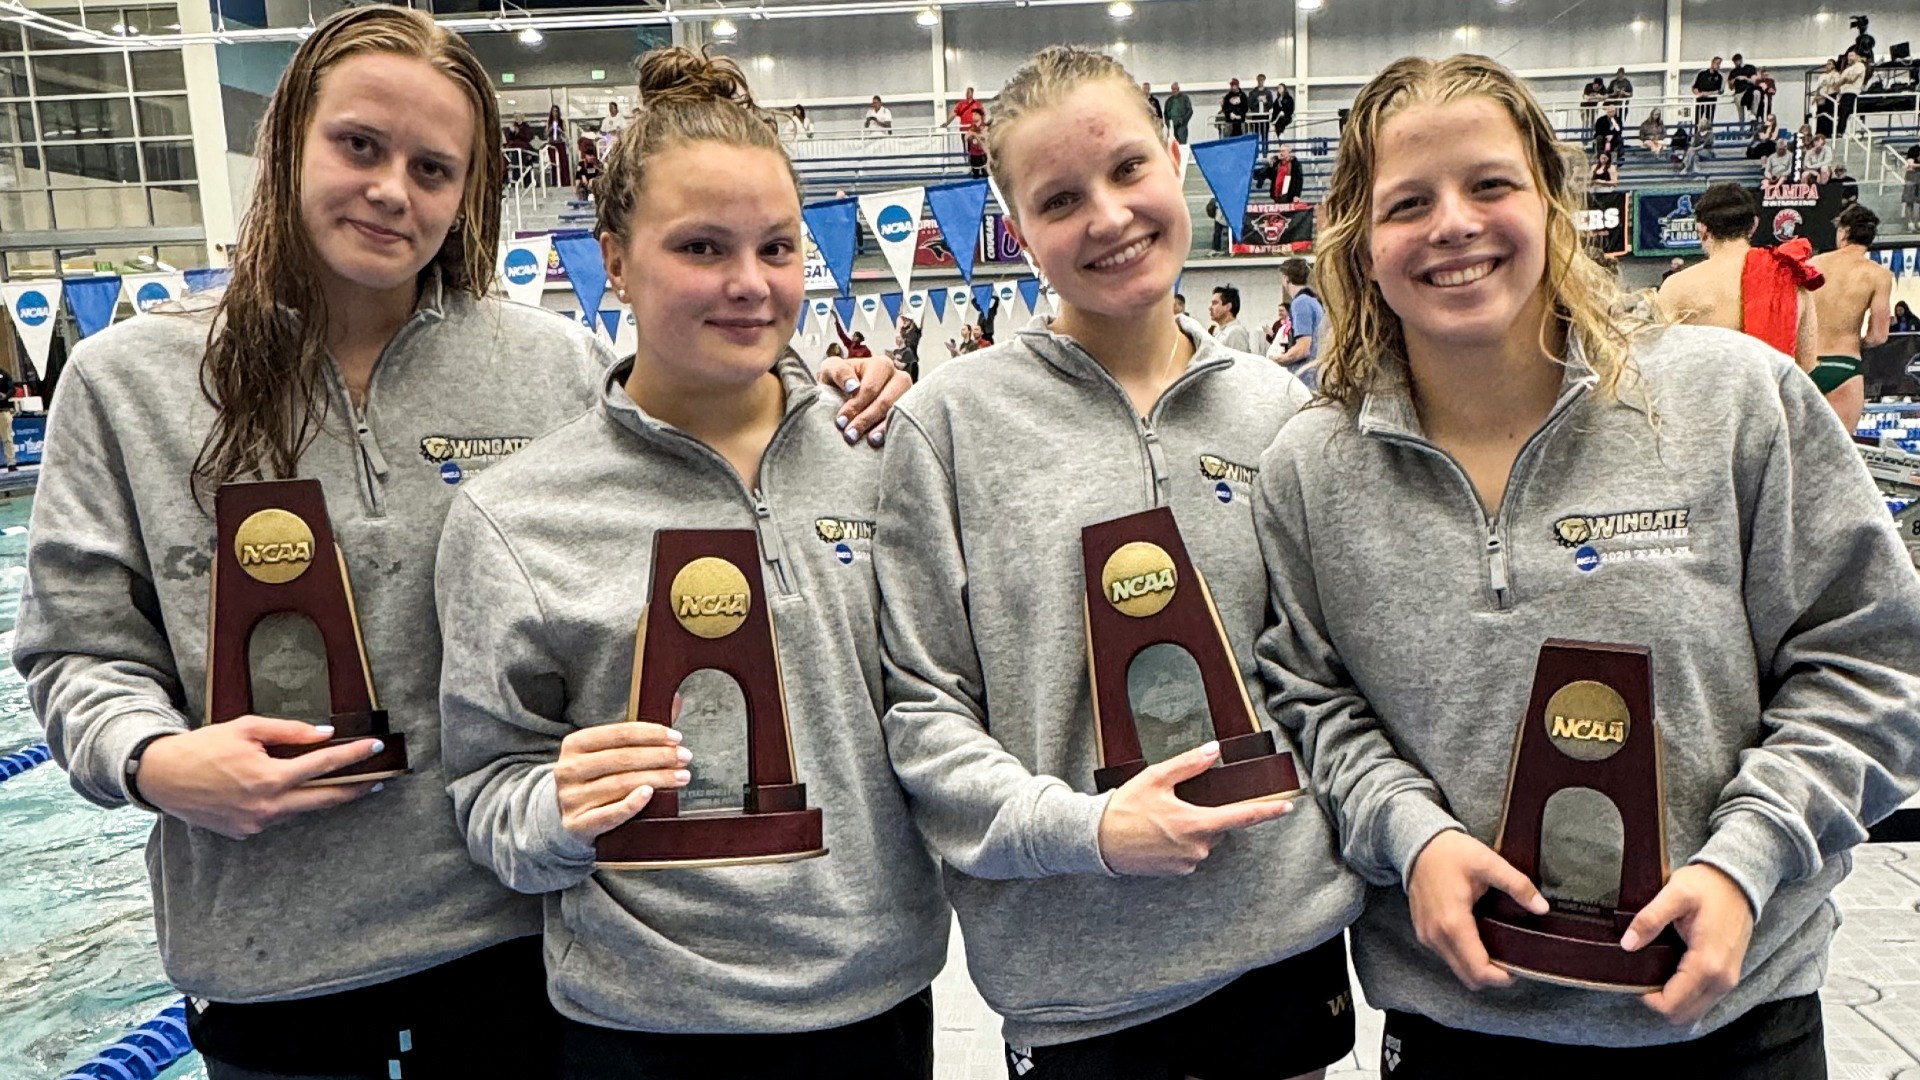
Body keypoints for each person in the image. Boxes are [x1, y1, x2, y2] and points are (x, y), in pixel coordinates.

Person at [1266, 51, 1920, 1078]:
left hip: (1730, 1025)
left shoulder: (1730, 401)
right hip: (1458, 1027)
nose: (1453, 224)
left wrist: (1748, 859)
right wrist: (1410, 835)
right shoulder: (1313, 468)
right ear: (1360, 238)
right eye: (1409, 202)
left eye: (1490, 184)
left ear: (1551, 201)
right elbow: (1311, 700)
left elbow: (1874, 658)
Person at [435, 47, 946, 1080]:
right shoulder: (517, 513)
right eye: (702, 248)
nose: (749, 284)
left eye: (777, 247)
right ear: (615, 261)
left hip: (877, 1001)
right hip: (641, 1027)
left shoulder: (886, 456)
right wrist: (556, 809)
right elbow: (487, 792)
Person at [877, 42, 1362, 1080]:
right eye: (1060, 200)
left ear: (1176, 162)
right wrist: (1083, 831)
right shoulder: (949, 424)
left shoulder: (1280, 411)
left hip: (1278, 939)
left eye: (1129, 168)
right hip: (1075, 976)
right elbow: (922, 709)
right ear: (1017, 228)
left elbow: (1324, 675)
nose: (1107, 217)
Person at [1658, 182, 1820, 371]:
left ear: (1702, 229)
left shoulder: (1676, 286)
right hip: (1771, 387)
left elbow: (1659, 363)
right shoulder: (1790, 278)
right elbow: (1806, 365)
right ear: (1754, 225)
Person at [1808, 204, 1893, 432]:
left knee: (1794, 448)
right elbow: (1879, 336)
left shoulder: (1813, 265)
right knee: (1841, 449)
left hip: (1806, 364)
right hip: (1844, 365)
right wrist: (1858, 343)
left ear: (1844, 231)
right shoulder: (1879, 275)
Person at [1268, 256, 1324, 389]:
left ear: (1286, 278)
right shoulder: (1313, 300)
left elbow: (1303, 349)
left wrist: (1275, 360)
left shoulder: (1301, 303)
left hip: (1306, 379)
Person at [1209, 285, 1255, 352]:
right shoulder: (1220, 332)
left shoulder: (1236, 332)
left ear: (1228, 307)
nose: (1210, 308)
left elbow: (1238, 358)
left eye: (1215, 303)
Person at [1836, 48, 1869, 138]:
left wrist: (1842, 81)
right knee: (1840, 112)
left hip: (1851, 91)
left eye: (1851, 56)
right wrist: (1842, 82)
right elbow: (1840, 82)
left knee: (1845, 111)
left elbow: (1851, 79)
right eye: (1848, 56)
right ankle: (1838, 130)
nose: (1849, 58)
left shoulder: (1860, 66)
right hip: (1844, 93)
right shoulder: (1847, 69)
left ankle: (1840, 131)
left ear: (1857, 56)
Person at [1692, 55, 1724, 130]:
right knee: (1698, 119)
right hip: (1700, 100)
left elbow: (1719, 91)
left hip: (1711, 101)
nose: (1718, 65)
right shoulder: (1702, 74)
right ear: (1712, 63)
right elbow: (1694, 87)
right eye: (1717, 63)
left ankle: (1708, 134)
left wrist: (1707, 94)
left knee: (1709, 120)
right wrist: (1698, 93)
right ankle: (1697, 134)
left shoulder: (1719, 77)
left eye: (1719, 64)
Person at [1728, 53, 1758, 128]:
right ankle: (1742, 126)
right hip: (1739, 92)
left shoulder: (1750, 68)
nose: (1735, 64)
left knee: (1756, 95)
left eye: (1736, 62)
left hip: (1750, 90)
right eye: (1734, 62)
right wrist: (1732, 82)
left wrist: (1745, 78)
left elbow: (1754, 81)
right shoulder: (1733, 72)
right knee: (1739, 105)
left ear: (1740, 60)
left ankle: (1753, 118)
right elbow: (1731, 88)